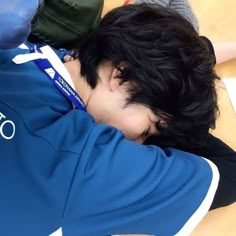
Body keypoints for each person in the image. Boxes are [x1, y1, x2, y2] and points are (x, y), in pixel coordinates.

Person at [0, 4, 220, 236]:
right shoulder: (87, 160)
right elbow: (228, 169)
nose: (138, 145)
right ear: (122, 76)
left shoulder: (18, 49)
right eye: (149, 128)